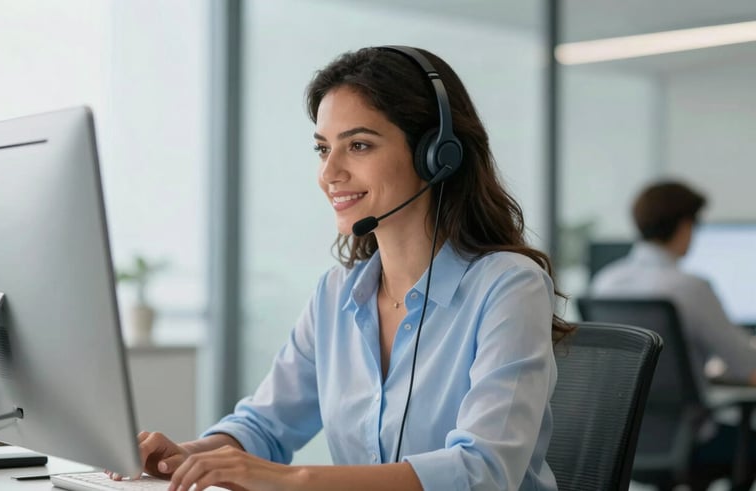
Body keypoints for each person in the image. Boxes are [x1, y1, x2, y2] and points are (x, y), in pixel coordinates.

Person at [121, 46, 572, 491]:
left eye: (358, 145)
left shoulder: (509, 286)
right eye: (322, 149)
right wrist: (186, 458)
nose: (329, 172)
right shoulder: (337, 294)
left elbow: (483, 472)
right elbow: (264, 426)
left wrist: (289, 480)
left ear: (436, 154)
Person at [591, 180, 756, 387]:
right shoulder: (691, 288)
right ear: (685, 225)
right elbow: (745, 363)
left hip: (622, 417)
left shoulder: (605, 282)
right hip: (687, 418)